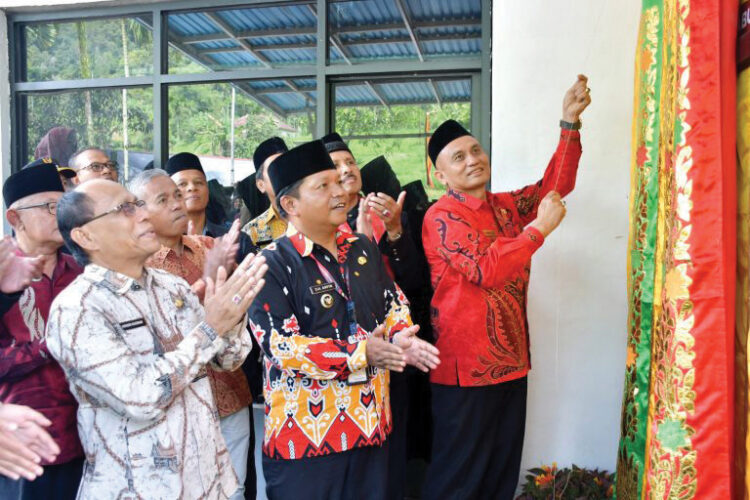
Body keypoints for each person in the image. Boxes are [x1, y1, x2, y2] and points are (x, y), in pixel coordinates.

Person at [421, 75, 591, 499]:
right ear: (439, 175)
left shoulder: (504, 207)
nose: (473, 159)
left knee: (499, 477)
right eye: (458, 157)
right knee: (459, 482)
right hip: (465, 374)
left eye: (475, 150)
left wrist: (569, 123)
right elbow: (486, 269)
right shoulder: (441, 216)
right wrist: (539, 231)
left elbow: (554, 187)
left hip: (511, 363)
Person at [46, 179, 267, 499]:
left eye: (137, 204)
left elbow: (228, 359)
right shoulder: (78, 309)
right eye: (125, 209)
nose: (143, 215)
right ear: (85, 235)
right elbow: (139, 396)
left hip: (209, 483)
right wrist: (211, 327)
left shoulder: (171, 287)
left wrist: (230, 313)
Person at [248, 140, 440, 500]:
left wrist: (402, 336)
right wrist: (363, 352)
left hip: (371, 429)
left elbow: (392, 300)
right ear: (290, 205)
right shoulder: (270, 264)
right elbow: (282, 347)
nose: (340, 191)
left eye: (338, 181)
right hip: (307, 443)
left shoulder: (362, 248)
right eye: (323, 186)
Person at [129, 169, 256, 500]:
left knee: (235, 489)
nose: (177, 203)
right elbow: (163, 332)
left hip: (229, 395)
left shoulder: (208, 246)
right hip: (177, 408)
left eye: (176, 195)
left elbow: (235, 312)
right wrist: (208, 284)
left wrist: (231, 282)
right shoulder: (137, 265)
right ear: (139, 210)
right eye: (164, 199)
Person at [321, 132, 427, 497]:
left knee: (394, 452)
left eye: (350, 161)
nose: (348, 168)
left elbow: (414, 280)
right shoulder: (319, 227)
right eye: (335, 166)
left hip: (395, 351)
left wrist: (395, 229)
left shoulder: (383, 212)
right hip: (345, 361)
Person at [0, 159, 85, 499]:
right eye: (50, 206)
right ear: (14, 218)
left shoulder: (82, 272)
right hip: (21, 448)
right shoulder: (3, 274)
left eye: (63, 205)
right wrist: (46, 347)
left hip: (86, 442)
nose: (60, 214)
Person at [166, 152, 256, 262]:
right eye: (182, 184)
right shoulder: (160, 244)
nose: (192, 187)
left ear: (207, 190)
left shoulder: (238, 241)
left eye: (198, 182)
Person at [241, 137, 289, 249]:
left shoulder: (316, 218)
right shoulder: (251, 233)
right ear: (261, 185)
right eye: (274, 169)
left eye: (286, 165)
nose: (283, 173)